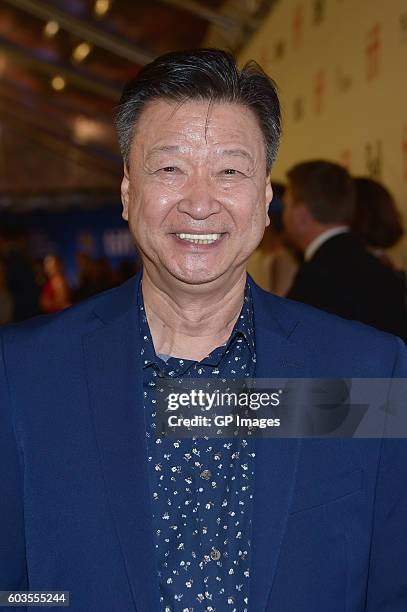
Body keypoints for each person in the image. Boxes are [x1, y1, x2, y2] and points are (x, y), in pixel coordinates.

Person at [1, 49, 407, 612]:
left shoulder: (365, 370)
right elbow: (14, 591)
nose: (199, 202)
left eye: (231, 170)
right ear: (126, 192)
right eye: (170, 168)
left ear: (266, 200)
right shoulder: (25, 375)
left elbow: (387, 587)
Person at [284, 160, 407, 341]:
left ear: (302, 215)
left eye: (287, 205)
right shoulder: (374, 264)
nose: (282, 215)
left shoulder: (317, 276)